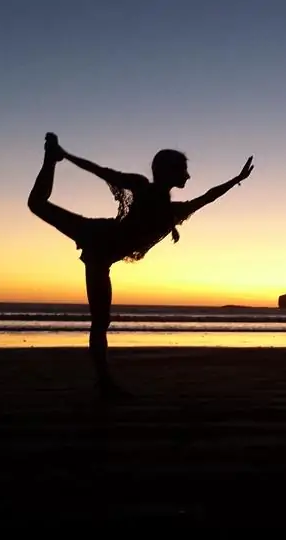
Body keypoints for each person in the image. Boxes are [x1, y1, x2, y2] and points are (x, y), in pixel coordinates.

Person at [27, 132, 255, 399]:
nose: (188, 176)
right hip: (97, 237)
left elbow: (207, 197)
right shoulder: (142, 187)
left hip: (102, 253)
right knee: (37, 204)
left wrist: (236, 180)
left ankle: (103, 383)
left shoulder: (173, 212)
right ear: (167, 171)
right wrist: (66, 156)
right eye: (183, 170)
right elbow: (103, 172)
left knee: (101, 321)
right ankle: (51, 157)